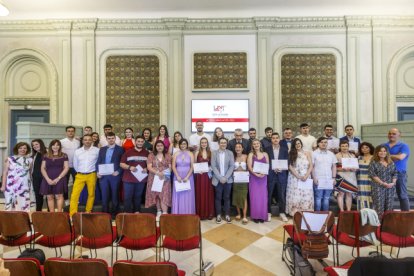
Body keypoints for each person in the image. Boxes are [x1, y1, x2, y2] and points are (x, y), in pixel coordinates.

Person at [96, 132, 125, 218]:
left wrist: (118, 171)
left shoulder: (120, 149)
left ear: (115, 139)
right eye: (109, 138)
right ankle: (105, 214)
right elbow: (98, 161)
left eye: (112, 138)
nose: (111, 140)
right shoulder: (102, 149)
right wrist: (98, 171)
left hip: (114, 175)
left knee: (115, 195)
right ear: (106, 139)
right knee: (104, 195)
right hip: (103, 176)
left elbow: (123, 163)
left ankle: (115, 214)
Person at [120, 136, 149, 213]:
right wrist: (129, 167)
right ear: (135, 142)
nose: (140, 143)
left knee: (138, 197)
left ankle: (137, 212)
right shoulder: (128, 152)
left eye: (141, 141)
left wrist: (147, 169)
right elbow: (121, 164)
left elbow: (150, 165)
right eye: (138, 141)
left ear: (143, 142)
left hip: (141, 179)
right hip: (128, 179)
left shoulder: (147, 153)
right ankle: (127, 213)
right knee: (127, 197)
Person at [383, 128, 410, 211]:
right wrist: (395, 156)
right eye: (390, 133)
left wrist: (386, 156)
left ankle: (406, 216)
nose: (391, 135)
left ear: (399, 135)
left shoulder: (404, 146)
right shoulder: (383, 146)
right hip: (385, 173)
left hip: (400, 173)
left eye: (394, 133)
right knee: (385, 196)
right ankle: (386, 215)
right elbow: (379, 158)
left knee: (402, 195)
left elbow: (401, 157)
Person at [285, 138, 314, 216]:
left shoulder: (307, 153)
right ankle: (295, 212)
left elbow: (311, 165)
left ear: (301, 144)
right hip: (294, 177)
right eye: (296, 144)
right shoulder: (290, 153)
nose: (297, 145)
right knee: (295, 194)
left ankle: (306, 211)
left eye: (299, 143)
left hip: (306, 176)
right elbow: (289, 166)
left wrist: (306, 175)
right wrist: (298, 176)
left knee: (306, 194)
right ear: (293, 146)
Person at [1, 142, 32, 211]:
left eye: (24, 148)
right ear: (17, 149)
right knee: (10, 205)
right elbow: (5, 173)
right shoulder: (10, 159)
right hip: (11, 186)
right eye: (20, 148)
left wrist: (30, 186)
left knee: (24, 206)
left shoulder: (30, 160)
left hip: (24, 186)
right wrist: (3, 185)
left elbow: (30, 174)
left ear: (27, 150)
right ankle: (9, 221)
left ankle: (22, 221)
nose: (22, 149)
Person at [368, 145, 398, 218]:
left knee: (389, 206)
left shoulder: (391, 162)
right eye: (380, 151)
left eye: (384, 151)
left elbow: (395, 173)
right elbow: (372, 175)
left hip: (390, 187)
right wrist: (382, 183)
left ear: (387, 152)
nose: (382, 152)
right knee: (379, 206)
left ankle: (387, 224)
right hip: (378, 187)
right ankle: (379, 225)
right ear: (377, 152)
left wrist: (393, 183)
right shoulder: (373, 162)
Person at [265, 132, 289, 222]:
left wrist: (281, 169)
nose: (275, 139)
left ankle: (282, 213)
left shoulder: (284, 149)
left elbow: (287, 161)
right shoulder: (267, 149)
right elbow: (265, 161)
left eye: (276, 138)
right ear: (271, 139)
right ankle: (268, 212)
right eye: (273, 138)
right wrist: (272, 168)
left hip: (281, 175)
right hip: (270, 174)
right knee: (269, 194)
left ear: (279, 139)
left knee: (281, 195)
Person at [40, 140, 69, 212]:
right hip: (48, 178)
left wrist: (58, 178)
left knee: (59, 196)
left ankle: (59, 213)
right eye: (53, 145)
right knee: (49, 197)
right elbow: (42, 168)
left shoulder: (64, 155)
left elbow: (66, 168)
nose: (55, 147)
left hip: (60, 178)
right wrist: (47, 179)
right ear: (51, 146)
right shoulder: (46, 155)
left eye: (57, 145)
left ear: (60, 146)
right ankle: (52, 214)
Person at [145, 140, 172, 219]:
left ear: (164, 147)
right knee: (157, 195)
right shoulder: (151, 155)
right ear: (155, 147)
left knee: (165, 194)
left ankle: (165, 212)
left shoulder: (168, 155)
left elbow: (170, 167)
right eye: (158, 146)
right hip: (154, 177)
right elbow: (149, 167)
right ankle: (159, 211)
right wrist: (157, 173)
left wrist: (164, 173)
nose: (159, 147)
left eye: (161, 145)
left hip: (165, 178)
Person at [211, 137, 234, 223]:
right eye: (221, 142)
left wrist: (225, 177)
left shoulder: (230, 153)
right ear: (218, 143)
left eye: (225, 142)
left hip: (228, 180)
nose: (223, 144)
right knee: (218, 197)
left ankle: (227, 214)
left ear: (227, 143)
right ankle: (218, 215)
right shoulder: (214, 153)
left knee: (227, 197)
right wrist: (220, 177)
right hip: (217, 180)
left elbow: (232, 166)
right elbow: (213, 166)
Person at [312, 137, 337, 211]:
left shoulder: (331, 154)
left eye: (325, 142)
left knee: (326, 198)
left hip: (329, 179)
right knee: (318, 198)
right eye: (322, 142)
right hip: (318, 179)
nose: (324, 144)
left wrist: (333, 178)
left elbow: (334, 166)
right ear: (318, 143)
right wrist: (314, 178)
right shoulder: (314, 153)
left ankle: (325, 216)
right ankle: (317, 215)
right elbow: (312, 167)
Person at [248, 139, 269, 223]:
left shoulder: (265, 154)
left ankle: (262, 216)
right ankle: (255, 216)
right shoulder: (251, 154)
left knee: (263, 197)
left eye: (257, 143)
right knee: (255, 197)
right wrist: (256, 174)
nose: (256, 145)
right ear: (252, 145)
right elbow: (249, 166)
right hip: (254, 178)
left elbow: (267, 165)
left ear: (260, 144)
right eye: (254, 144)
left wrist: (263, 174)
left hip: (263, 178)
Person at [172, 138, 196, 214]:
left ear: (187, 145)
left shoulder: (190, 154)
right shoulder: (176, 154)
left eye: (184, 144)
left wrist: (187, 177)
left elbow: (192, 167)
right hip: (177, 176)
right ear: (179, 145)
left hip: (188, 176)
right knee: (178, 194)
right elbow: (173, 166)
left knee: (187, 195)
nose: (183, 145)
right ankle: (177, 212)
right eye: (181, 144)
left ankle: (188, 213)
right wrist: (177, 176)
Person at [194, 137, 215, 220]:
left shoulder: (211, 152)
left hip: (208, 176)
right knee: (200, 193)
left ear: (207, 143)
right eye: (202, 142)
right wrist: (198, 170)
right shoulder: (197, 153)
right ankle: (200, 213)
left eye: (205, 142)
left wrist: (209, 168)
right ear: (200, 143)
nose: (204, 144)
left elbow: (213, 165)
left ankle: (209, 213)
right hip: (199, 176)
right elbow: (194, 164)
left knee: (208, 193)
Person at [336, 140, 358, 211]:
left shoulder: (352, 155)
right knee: (341, 194)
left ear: (348, 147)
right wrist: (342, 169)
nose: (344, 147)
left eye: (346, 146)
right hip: (341, 176)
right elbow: (333, 167)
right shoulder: (337, 155)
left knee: (349, 194)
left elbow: (356, 166)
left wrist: (354, 169)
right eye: (342, 146)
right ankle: (342, 210)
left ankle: (348, 210)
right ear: (340, 147)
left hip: (351, 176)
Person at [61, 126, 80, 201]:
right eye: (69, 131)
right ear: (66, 132)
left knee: (77, 183)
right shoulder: (61, 141)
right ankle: (66, 200)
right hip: (65, 166)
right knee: (64, 184)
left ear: (74, 132)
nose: (70, 132)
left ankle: (76, 198)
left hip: (76, 166)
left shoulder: (78, 142)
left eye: (72, 131)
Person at [233, 143, 249, 224]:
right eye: (236, 147)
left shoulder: (246, 156)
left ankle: (245, 216)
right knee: (236, 197)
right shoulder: (233, 157)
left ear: (242, 149)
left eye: (239, 147)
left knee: (244, 197)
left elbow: (249, 167)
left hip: (244, 179)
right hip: (236, 179)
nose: (238, 148)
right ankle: (239, 214)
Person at [357, 142, 375, 210]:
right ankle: (362, 214)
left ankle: (371, 214)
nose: (364, 149)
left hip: (370, 180)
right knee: (361, 197)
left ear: (370, 148)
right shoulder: (359, 158)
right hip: (360, 180)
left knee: (370, 196)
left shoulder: (374, 158)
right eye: (362, 148)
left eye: (367, 147)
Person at [31, 139, 47, 211]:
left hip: (46, 177)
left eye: (36, 144)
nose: (35, 146)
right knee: (38, 196)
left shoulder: (47, 153)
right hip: (36, 178)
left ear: (41, 144)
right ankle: (38, 213)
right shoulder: (34, 154)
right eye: (33, 145)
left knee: (48, 196)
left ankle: (50, 213)